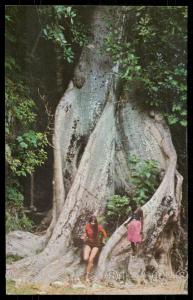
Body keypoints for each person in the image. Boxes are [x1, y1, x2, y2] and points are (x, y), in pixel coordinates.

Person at [81, 215, 107, 283]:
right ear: (89, 221)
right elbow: (86, 233)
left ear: (96, 222)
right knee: (85, 258)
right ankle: (90, 264)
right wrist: (84, 236)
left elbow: (104, 234)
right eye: (91, 222)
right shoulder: (87, 226)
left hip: (96, 245)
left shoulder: (98, 227)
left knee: (90, 259)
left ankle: (87, 276)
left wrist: (103, 240)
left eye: (94, 222)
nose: (93, 223)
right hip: (88, 243)